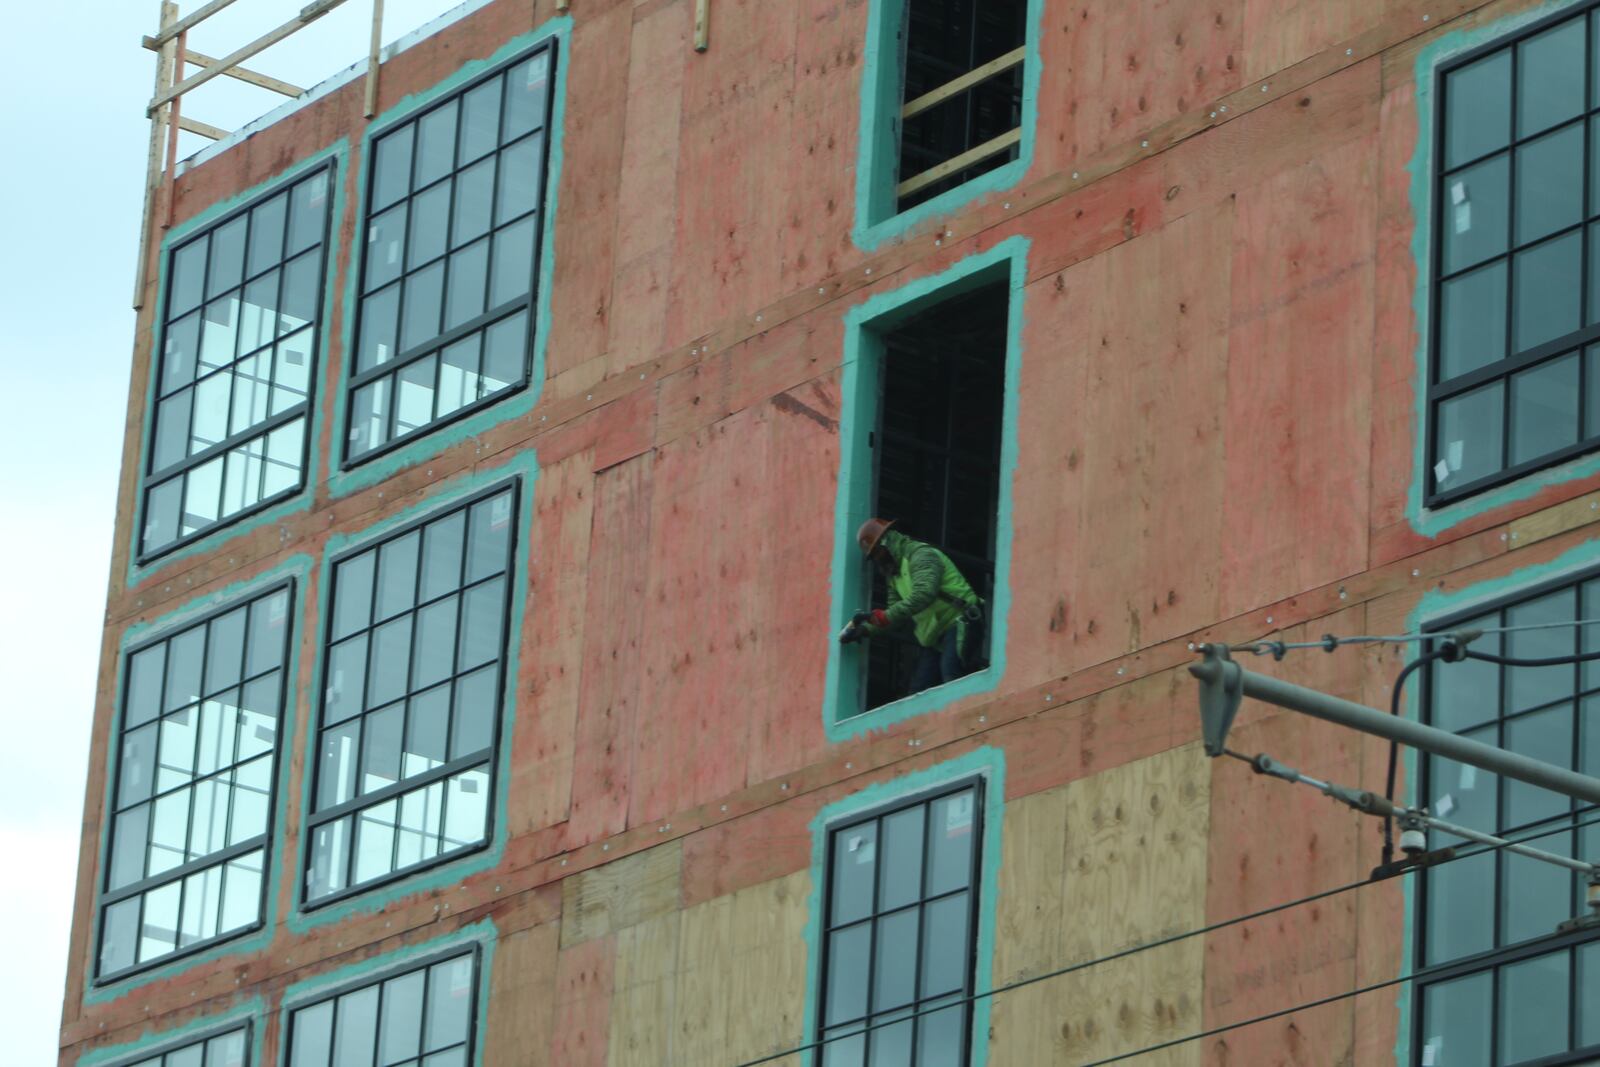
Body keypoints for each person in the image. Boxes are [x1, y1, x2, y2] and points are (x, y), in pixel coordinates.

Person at [839, 517, 986, 696]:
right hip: (935, 636)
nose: (878, 560)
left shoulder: (920, 555)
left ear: (887, 543)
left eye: (877, 552)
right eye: (874, 556)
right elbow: (895, 615)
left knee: (951, 673)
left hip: (960, 621)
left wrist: (884, 617)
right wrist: (867, 629)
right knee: (918, 690)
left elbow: (924, 594)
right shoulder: (893, 576)